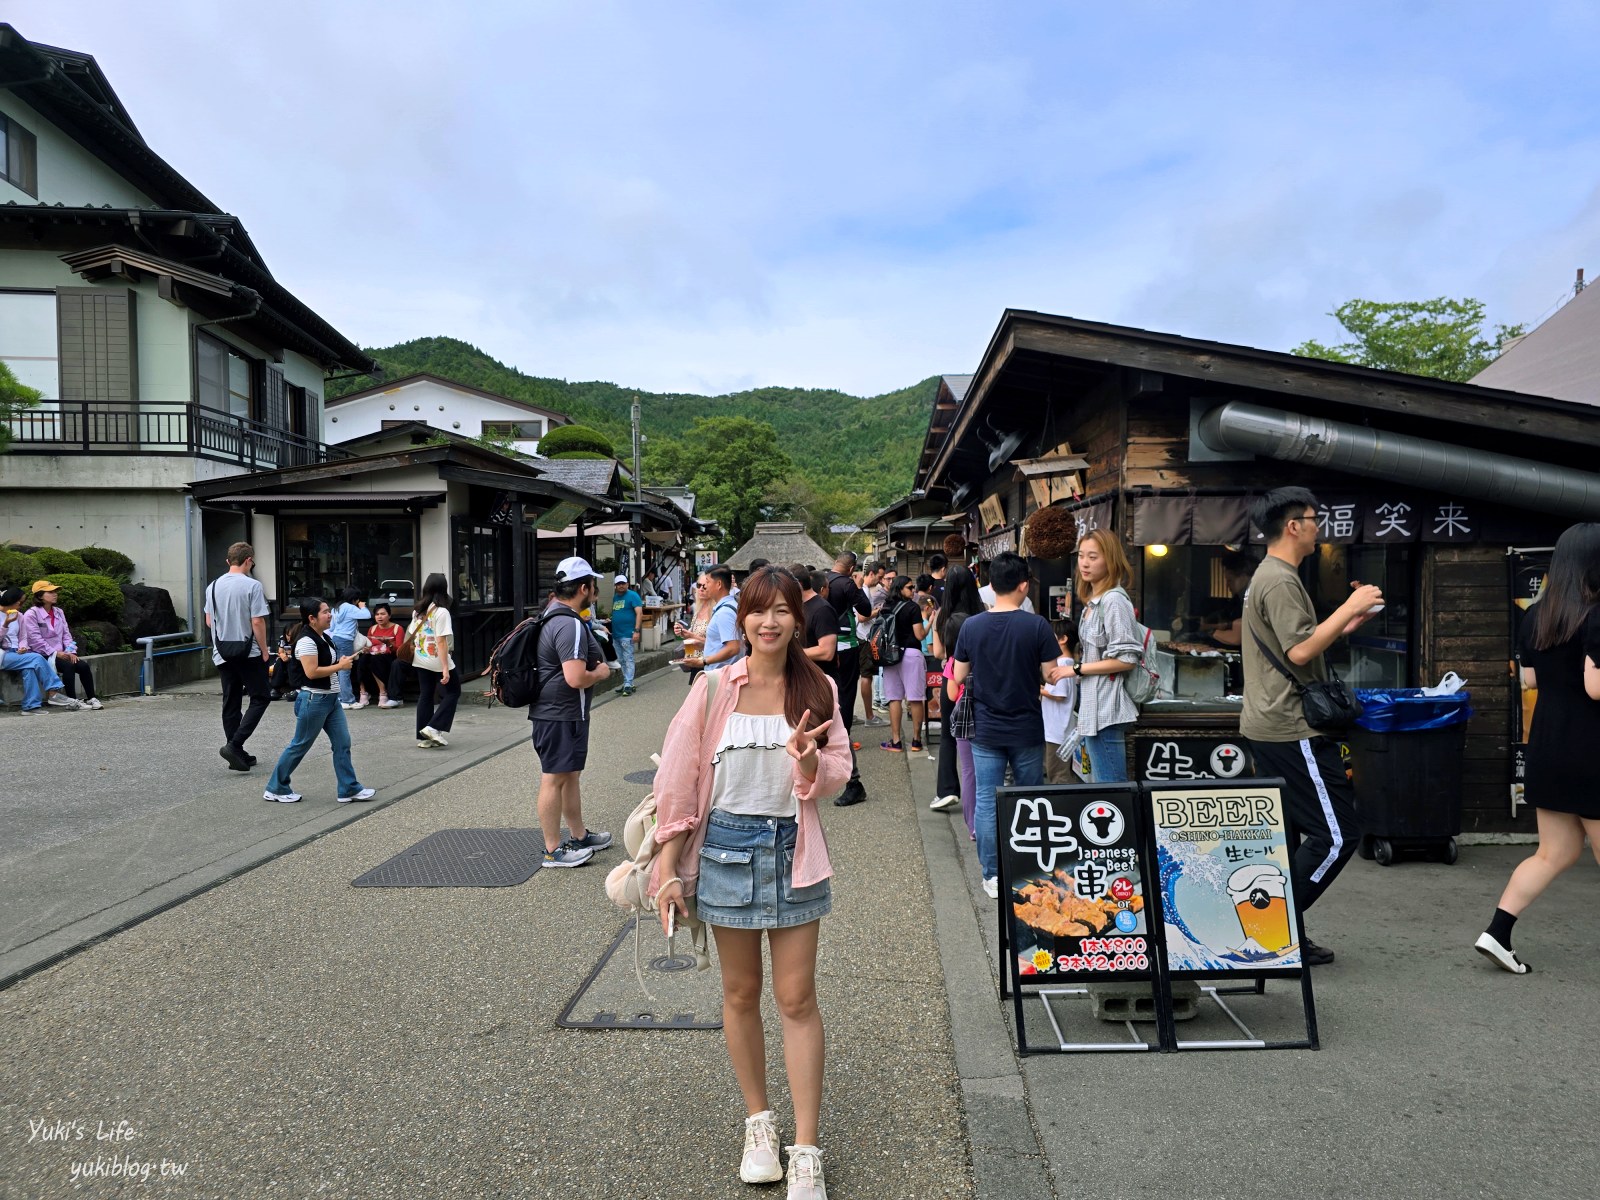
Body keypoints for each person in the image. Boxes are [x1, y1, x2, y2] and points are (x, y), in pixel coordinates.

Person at [651, 566, 850, 1200]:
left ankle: (808, 1147)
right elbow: (679, 782)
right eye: (759, 610)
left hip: (793, 847)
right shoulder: (711, 690)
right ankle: (759, 1126)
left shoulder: (818, 688)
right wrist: (667, 865)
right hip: (726, 851)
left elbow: (840, 770)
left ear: (799, 619)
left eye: (783, 611)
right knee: (740, 993)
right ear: (742, 619)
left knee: (797, 998)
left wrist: (811, 761)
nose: (770, 622)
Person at [1241, 487, 1383, 966]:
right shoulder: (1279, 579)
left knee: (1292, 837)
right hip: (1290, 725)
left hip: (1274, 722)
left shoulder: (1275, 576)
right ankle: (1272, 929)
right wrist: (1349, 605)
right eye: (1313, 518)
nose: (1319, 527)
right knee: (1338, 833)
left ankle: (1280, 934)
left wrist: (1343, 626)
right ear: (1292, 526)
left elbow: (1296, 645)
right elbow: (1300, 653)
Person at [1476, 523, 1600, 974]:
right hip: (1591, 749)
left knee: (1555, 851)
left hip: (1547, 744)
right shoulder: (1597, 614)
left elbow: (1529, 679)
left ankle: (1498, 932)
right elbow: (1596, 685)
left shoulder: (1537, 615)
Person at [952, 552, 1067, 899]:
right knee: (1029, 799)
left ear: (991, 585)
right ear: (1023, 585)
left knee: (987, 800)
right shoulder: (1037, 626)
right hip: (1027, 727)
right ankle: (1029, 872)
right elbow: (1051, 674)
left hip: (986, 728)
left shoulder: (972, 626)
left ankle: (992, 876)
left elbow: (958, 676)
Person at [530, 556, 614, 868]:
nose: (594, 592)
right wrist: (602, 673)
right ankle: (553, 850)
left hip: (558, 712)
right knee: (553, 778)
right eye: (593, 586)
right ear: (583, 587)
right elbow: (575, 677)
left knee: (569, 775)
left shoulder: (552, 615)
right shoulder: (569, 624)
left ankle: (578, 835)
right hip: (560, 713)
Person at [262, 598, 374, 805]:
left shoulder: (323, 637)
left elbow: (327, 664)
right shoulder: (306, 641)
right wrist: (340, 667)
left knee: (342, 743)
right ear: (312, 618)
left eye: (329, 611)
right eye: (325, 612)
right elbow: (311, 672)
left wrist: (343, 662)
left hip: (330, 699)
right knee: (299, 745)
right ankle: (276, 788)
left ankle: (348, 788)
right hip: (314, 699)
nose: (330, 615)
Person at [1073, 529, 1142, 782]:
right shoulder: (1093, 602)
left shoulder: (1114, 601)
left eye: (1093, 556)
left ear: (1110, 560)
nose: (1085, 563)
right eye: (1081, 556)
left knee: (1113, 792)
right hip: (1093, 708)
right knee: (1105, 792)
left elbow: (1127, 659)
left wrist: (1077, 669)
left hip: (1107, 709)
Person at [204, 542, 271, 772]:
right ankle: (235, 745)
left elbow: (209, 621)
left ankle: (237, 752)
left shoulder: (212, 586)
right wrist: (264, 649)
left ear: (227, 561)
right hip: (249, 652)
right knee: (260, 697)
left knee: (231, 701)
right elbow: (257, 621)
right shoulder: (252, 586)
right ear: (249, 560)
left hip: (222, 652)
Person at [822, 551, 873, 807]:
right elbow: (865, 608)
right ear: (851, 567)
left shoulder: (821, 582)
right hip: (844, 648)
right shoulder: (847, 584)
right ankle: (852, 782)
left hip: (818, 652)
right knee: (841, 712)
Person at [930, 564, 983, 813]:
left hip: (951, 676)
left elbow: (939, 652)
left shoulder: (943, 615)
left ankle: (947, 790)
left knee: (948, 735)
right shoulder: (982, 612)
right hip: (981, 676)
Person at [19, 581, 101, 708]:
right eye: (50, 592)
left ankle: (91, 698)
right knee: (69, 666)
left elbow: (66, 635)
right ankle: (73, 701)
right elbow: (35, 640)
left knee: (83, 666)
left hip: (62, 653)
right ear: (40, 596)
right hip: (41, 654)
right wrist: (56, 653)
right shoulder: (31, 614)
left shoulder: (58, 612)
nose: (55, 594)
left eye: (55, 591)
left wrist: (71, 651)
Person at [1, 587, 79, 713]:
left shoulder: (19, 615)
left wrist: (23, 646)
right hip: (3, 654)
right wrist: (5, 624)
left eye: (22, 602)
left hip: (17, 653)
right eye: (19, 602)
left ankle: (30, 707)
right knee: (37, 658)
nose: (21, 605)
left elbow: (23, 637)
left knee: (29, 669)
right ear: (11, 600)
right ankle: (53, 691)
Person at [877, 574, 927, 753]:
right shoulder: (913, 608)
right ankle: (916, 741)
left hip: (890, 656)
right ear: (900, 589)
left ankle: (896, 741)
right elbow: (920, 635)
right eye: (909, 587)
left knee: (894, 698)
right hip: (911, 654)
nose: (913, 591)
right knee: (915, 698)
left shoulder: (885, 607)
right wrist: (930, 622)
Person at [408, 574, 459, 749]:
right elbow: (441, 641)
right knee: (453, 692)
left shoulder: (417, 610)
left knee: (426, 695)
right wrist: (445, 667)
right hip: (437, 658)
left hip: (420, 658)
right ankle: (434, 727)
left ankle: (424, 737)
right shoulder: (442, 611)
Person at [1042, 619, 1079, 785]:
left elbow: (1060, 694)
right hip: (1060, 728)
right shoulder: (1069, 663)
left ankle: (1065, 807)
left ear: (1063, 639)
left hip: (1057, 730)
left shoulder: (1063, 663)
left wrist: (1038, 690)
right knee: (1057, 772)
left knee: (1057, 774)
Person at [330, 588, 372, 707]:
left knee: (339, 669)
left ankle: (340, 698)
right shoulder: (350, 607)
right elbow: (367, 615)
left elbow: (332, 628)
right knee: (345, 671)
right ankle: (348, 700)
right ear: (354, 599)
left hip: (336, 638)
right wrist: (362, 606)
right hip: (346, 640)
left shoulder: (336, 608)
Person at [860, 561, 890, 725]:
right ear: (871, 574)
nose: (880, 581)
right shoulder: (863, 592)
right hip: (863, 638)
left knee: (868, 676)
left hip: (864, 637)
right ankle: (869, 716)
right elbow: (862, 617)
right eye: (879, 577)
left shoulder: (865, 591)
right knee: (867, 676)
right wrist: (877, 611)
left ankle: (869, 714)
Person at [698, 565, 744, 673]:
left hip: (721, 675)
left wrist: (704, 661)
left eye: (708, 582)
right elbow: (722, 644)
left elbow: (733, 647)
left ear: (718, 584)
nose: (705, 586)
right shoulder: (729, 606)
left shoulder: (725, 612)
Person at [361, 602, 406, 707]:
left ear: (389, 615)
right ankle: (363, 692)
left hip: (390, 657)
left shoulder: (397, 629)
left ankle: (383, 693)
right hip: (374, 656)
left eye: (382, 614)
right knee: (363, 659)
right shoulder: (372, 629)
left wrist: (389, 644)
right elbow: (369, 645)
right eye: (377, 614)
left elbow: (399, 650)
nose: (379, 617)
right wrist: (367, 649)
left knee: (376, 660)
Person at [608, 573, 645, 696]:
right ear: (615, 586)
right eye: (618, 584)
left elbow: (639, 613)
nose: (621, 586)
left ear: (627, 584)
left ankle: (628, 683)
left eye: (623, 583)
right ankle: (627, 682)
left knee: (628, 658)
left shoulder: (633, 596)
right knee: (621, 659)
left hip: (628, 633)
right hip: (616, 633)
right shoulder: (615, 597)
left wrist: (636, 630)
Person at [795, 567, 838, 667]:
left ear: (799, 585)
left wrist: (791, 653)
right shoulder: (796, 605)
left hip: (819, 676)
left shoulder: (823, 609)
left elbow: (826, 652)